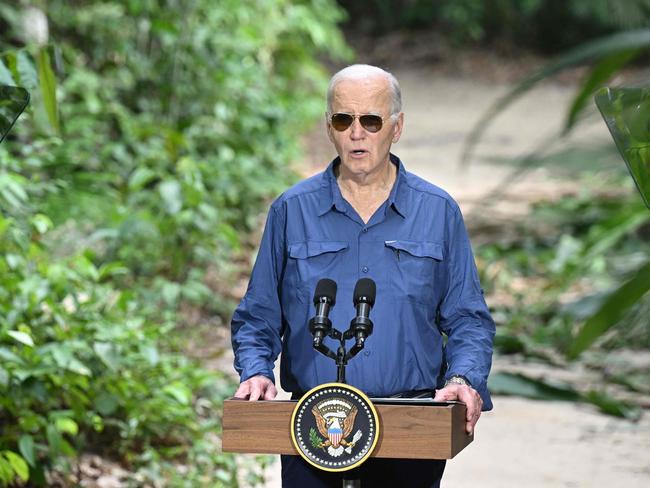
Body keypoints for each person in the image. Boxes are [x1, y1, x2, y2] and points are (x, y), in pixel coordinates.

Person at [231, 64, 495, 487]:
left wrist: (464, 378)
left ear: (396, 127)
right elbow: (259, 316)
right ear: (329, 128)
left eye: (371, 120)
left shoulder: (437, 211)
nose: (357, 133)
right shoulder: (291, 211)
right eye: (344, 120)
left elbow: (467, 318)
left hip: (410, 426)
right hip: (314, 426)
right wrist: (256, 370)